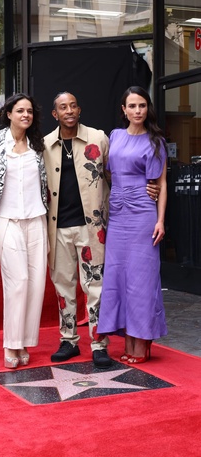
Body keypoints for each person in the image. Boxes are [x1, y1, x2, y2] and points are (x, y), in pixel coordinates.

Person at [43, 91, 160, 368]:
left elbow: (115, 173)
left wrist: (146, 186)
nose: (69, 110)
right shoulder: (45, 144)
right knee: (63, 286)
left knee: (96, 286)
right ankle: (68, 340)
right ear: (55, 114)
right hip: (58, 226)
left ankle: (99, 343)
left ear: (79, 109)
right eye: (63, 107)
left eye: (73, 105)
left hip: (91, 225)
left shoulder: (99, 138)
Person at [97, 86, 168, 364]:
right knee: (118, 277)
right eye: (132, 106)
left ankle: (142, 343)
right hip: (118, 213)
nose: (138, 110)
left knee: (142, 279)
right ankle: (127, 341)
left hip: (143, 214)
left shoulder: (156, 141)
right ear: (124, 110)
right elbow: (109, 171)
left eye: (142, 105)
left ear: (147, 108)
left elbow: (161, 185)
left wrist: (161, 220)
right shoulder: (114, 136)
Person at [0, 93, 48, 369]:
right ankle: (10, 344)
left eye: (29, 111)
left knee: (35, 284)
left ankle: (24, 341)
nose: (25, 115)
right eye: (20, 110)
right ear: (8, 113)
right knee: (18, 281)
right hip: (6, 218)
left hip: (36, 218)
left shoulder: (39, 145)